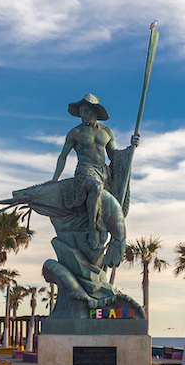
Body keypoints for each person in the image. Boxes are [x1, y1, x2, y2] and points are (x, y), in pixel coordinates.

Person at [52, 93, 139, 250]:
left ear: (95, 112)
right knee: (96, 186)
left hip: (103, 172)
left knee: (109, 203)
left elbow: (113, 156)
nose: (83, 115)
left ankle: (103, 232)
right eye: (81, 111)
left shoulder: (106, 132)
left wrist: (130, 148)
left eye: (86, 111)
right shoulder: (75, 133)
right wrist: (54, 180)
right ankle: (93, 229)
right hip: (84, 170)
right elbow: (63, 157)